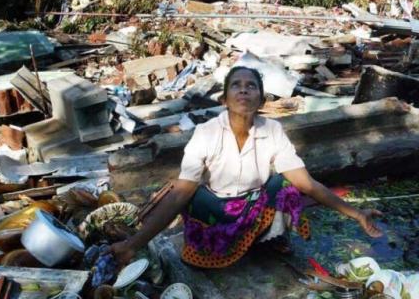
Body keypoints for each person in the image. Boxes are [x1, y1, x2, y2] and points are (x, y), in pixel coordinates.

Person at [111, 66, 383, 268]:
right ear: (224, 100)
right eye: (236, 85)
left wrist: (357, 214)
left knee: (287, 185)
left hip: (254, 206)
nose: (243, 89)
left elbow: (308, 185)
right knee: (184, 190)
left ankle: (270, 239)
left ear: (262, 101)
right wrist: (133, 244)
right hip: (216, 207)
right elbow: (181, 194)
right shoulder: (206, 133)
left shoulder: (273, 130)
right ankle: (214, 247)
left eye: (251, 86)